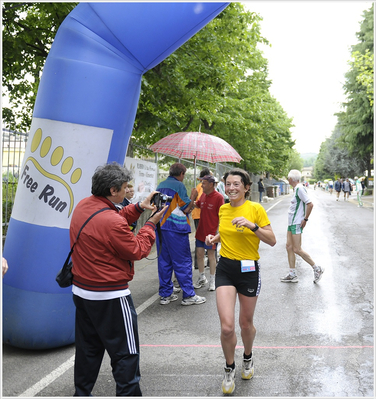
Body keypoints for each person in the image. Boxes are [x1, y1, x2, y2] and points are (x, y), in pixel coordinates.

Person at [70, 162, 167, 397]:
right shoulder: (111, 221)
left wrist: (137, 208)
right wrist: (151, 224)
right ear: (113, 190)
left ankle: (81, 393)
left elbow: (108, 219)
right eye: (124, 188)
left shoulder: (85, 206)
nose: (127, 192)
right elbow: (137, 250)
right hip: (111, 295)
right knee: (126, 353)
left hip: (82, 291)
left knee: (88, 350)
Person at [205, 168, 276, 395]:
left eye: (236, 184)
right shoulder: (224, 209)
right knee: (227, 327)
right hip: (226, 268)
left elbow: (272, 240)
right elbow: (226, 232)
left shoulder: (255, 209)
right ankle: (229, 367)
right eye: (228, 184)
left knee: (245, 324)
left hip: (248, 270)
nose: (231, 188)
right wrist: (214, 237)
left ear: (246, 187)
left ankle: (247, 356)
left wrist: (252, 225)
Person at [156, 162, 206, 306]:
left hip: (160, 226)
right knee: (183, 261)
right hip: (176, 228)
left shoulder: (161, 185)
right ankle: (188, 295)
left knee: (164, 261)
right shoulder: (179, 186)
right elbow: (186, 208)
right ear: (182, 174)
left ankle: (165, 295)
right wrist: (193, 196)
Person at [280, 169, 324, 284]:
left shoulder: (299, 188)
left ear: (290, 179)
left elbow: (310, 204)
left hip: (296, 223)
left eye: (288, 179)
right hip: (291, 223)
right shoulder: (296, 189)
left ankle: (316, 268)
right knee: (289, 247)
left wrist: (305, 219)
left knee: (297, 249)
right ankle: (292, 274)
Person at [193, 175, 224, 291]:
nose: (202, 185)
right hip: (200, 230)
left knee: (211, 255)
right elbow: (198, 204)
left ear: (211, 184)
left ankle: (212, 279)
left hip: (211, 233)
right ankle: (201, 277)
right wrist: (193, 198)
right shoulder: (203, 195)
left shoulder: (218, 197)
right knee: (199, 255)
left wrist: (219, 231)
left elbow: (222, 215)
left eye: (204, 183)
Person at [191, 167, 211, 269]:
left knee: (200, 238)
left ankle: (198, 264)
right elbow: (201, 201)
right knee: (207, 237)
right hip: (201, 215)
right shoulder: (203, 187)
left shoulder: (198, 186)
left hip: (196, 215)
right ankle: (208, 262)